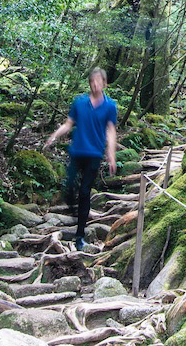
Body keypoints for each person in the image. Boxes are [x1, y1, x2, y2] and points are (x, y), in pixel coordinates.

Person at [42, 66, 118, 250]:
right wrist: (54, 136)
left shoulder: (110, 106)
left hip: (94, 154)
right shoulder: (79, 102)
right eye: (92, 82)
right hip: (77, 151)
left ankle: (80, 235)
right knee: (68, 188)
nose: (95, 85)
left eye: (98, 82)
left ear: (105, 84)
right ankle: (75, 212)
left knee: (85, 193)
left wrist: (111, 154)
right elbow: (68, 124)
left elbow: (111, 131)